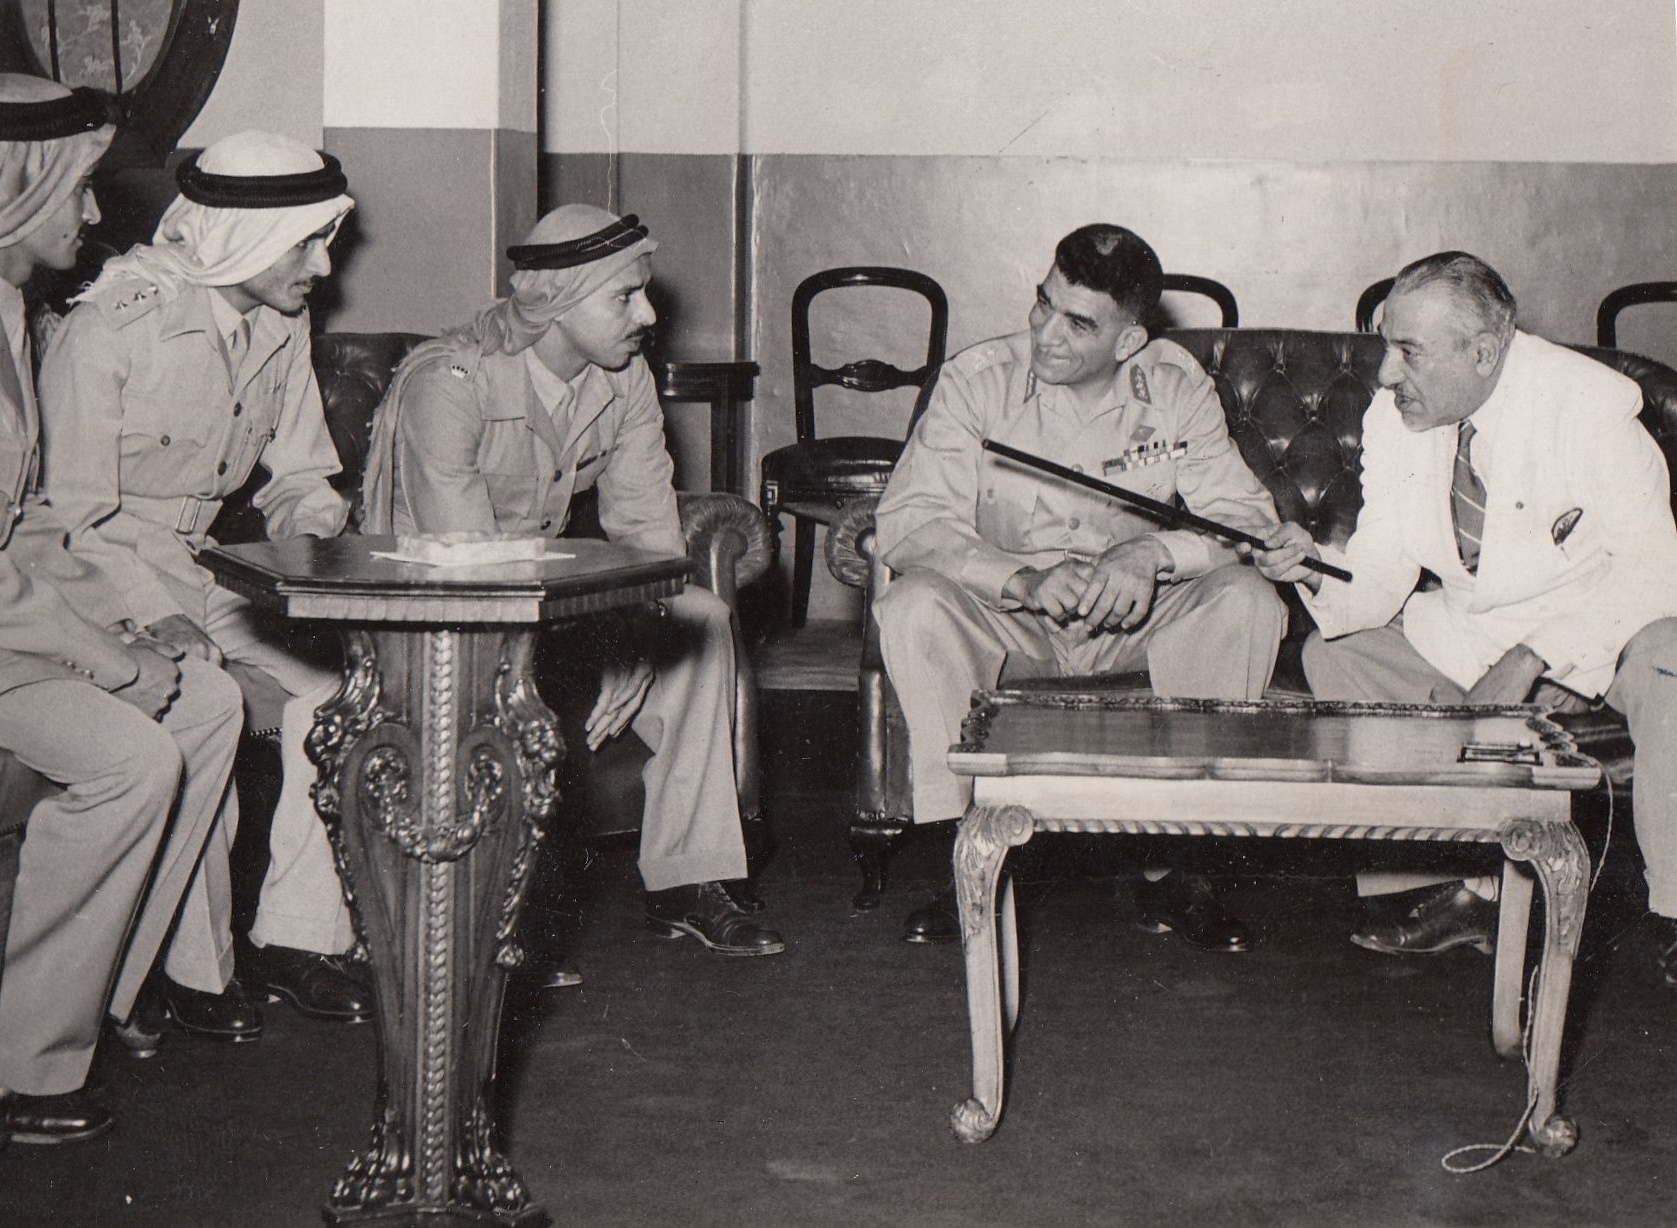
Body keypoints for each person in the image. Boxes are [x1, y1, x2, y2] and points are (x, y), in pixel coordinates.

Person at [0, 74, 242, 1146]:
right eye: (77, 189)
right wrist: (108, 664)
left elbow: (23, 521)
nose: (96, 212)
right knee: (131, 757)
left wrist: (130, 626)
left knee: (205, 703)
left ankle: (86, 994)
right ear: (17, 191)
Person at [361, 203, 784, 959]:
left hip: (540, 602)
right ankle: (502, 911)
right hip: (440, 618)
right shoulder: (449, 381)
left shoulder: (623, 379)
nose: (648, 315)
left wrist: (641, 629)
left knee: (702, 620)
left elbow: (649, 534)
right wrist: (611, 631)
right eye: (625, 297)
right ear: (554, 302)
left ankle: (690, 877)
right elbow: (470, 573)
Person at [1255, 251, 1677, 980]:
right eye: (1386, 346)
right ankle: (1463, 888)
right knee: (1334, 654)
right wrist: (1316, 561)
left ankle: (1675, 910)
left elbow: (1655, 572)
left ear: (1483, 352)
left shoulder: (1589, 406)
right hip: (1471, 632)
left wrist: (1535, 657)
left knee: (1671, 661)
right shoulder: (1395, 416)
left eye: (1408, 352)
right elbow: (1384, 563)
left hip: (1602, 627)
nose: (1386, 373)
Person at [37, 130, 370, 1040]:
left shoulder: (281, 323)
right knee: (202, 696)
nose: (322, 266)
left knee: (343, 691)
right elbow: (70, 515)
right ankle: (191, 970)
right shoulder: (113, 326)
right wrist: (154, 616)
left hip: (207, 562)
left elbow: (301, 476)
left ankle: (298, 936)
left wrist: (318, 552)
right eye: (304, 243)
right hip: (101, 569)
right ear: (240, 238)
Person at [874, 222, 1287, 948]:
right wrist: (1022, 578)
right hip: (1013, 621)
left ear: (1130, 340)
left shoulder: (1174, 386)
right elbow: (909, 523)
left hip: (1135, 622)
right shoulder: (976, 380)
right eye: (1044, 303)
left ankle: (1183, 868)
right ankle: (970, 855)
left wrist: (1153, 554)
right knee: (912, 605)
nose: (1046, 333)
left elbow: (1246, 520)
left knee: (1248, 601)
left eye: (1079, 323)